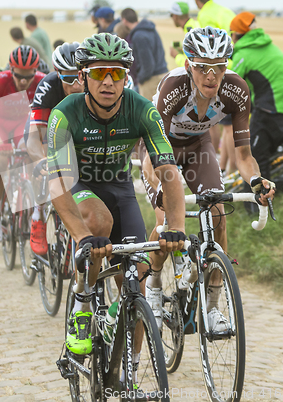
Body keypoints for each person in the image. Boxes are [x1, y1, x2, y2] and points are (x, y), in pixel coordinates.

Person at [46, 33, 186, 356]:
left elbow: (168, 171)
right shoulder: (65, 114)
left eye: (117, 73)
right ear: (82, 77)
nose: (108, 81)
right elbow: (57, 184)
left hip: (119, 186)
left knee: (135, 284)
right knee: (98, 221)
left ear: (126, 78)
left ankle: (130, 373)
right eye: (98, 73)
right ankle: (82, 300)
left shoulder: (141, 110)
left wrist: (176, 226)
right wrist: (81, 237)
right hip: (78, 184)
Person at [143, 27, 276, 331]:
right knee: (166, 222)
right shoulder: (174, 87)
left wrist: (256, 181)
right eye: (202, 66)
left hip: (198, 147)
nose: (211, 75)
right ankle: (153, 283)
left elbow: (243, 156)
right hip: (160, 149)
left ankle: (213, 308)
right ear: (189, 64)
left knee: (217, 213)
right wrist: (160, 190)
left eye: (219, 66)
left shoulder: (237, 91)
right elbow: (154, 153)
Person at [0, 46, 46, 243]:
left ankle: (31, 204)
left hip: (21, 125)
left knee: (33, 154)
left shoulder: (41, 82)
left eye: (29, 76)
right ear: (11, 70)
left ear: (35, 71)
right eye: (19, 76)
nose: (24, 81)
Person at [26, 42, 84, 254]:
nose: (76, 86)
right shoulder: (47, 86)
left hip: (75, 133)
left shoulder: (92, 86)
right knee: (40, 165)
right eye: (69, 79)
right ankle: (37, 215)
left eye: (80, 77)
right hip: (47, 129)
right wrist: (41, 161)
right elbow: (34, 138)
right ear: (57, 74)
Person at [230, 12, 283, 183]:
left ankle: (255, 206)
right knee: (263, 155)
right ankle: (271, 195)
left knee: (252, 158)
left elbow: (228, 84)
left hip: (269, 111)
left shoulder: (243, 55)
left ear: (236, 34)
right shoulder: (267, 46)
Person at [194, 0, 236, 156]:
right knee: (232, 123)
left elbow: (207, 49)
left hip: (219, 70)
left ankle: (218, 162)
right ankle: (225, 166)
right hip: (237, 63)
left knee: (217, 121)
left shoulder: (204, 15)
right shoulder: (225, 11)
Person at [120, 7, 168, 101]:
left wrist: (140, 79)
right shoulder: (150, 29)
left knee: (149, 113)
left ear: (124, 20)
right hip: (163, 75)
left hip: (150, 80)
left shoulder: (138, 36)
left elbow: (148, 65)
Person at [169, 2, 200, 67]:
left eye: (171, 15)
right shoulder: (195, 25)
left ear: (175, 16)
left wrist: (176, 56)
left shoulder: (190, 32)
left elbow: (192, 65)